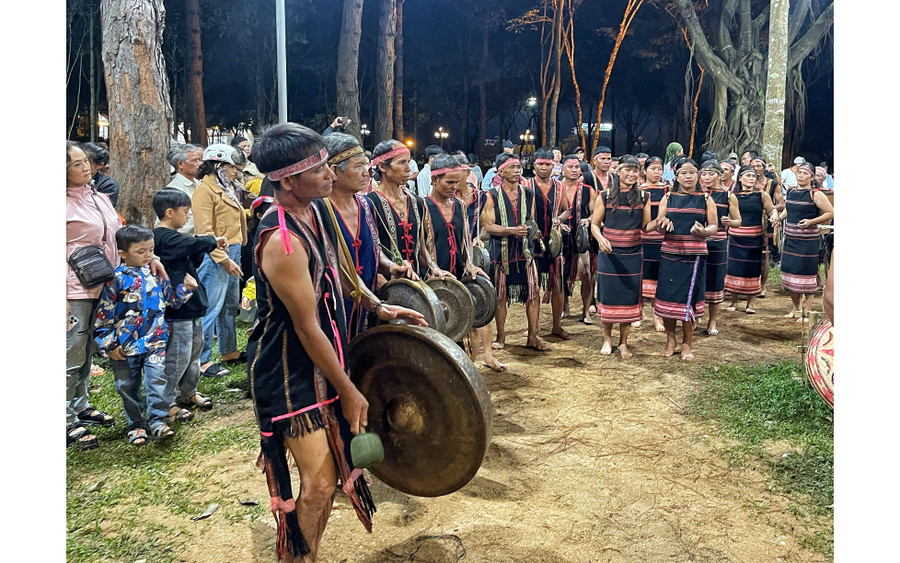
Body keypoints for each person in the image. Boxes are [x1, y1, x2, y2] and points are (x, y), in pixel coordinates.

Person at [246, 122, 424, 562]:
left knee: (331, 479)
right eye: (320, 168)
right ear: (288, 180)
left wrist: (378, 307)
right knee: (322, 481)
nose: (331, 175)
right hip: (287, 368)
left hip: (326, 352)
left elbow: (341, 274)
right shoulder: (281, 240)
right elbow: (307, 327)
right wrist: (347, 390)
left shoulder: (319, 210)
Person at [94, 225, 196, 444]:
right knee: (127, 387)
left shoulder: (156, 273)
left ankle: (158, 421)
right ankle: (136, 424)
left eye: (151, 250)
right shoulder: (116, 280)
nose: (148, 255)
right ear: (123, 254)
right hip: (124, 347)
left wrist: (186, 289)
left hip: (155, 342)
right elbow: (104, 314)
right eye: (141, 251)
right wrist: (109, 344)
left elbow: (170, 301)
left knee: (156, 381)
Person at [323, 133, 414, 337]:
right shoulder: (320, 210)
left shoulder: (366, 204)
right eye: (358, 166)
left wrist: (391, 266)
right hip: (334, 307)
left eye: (366, 165)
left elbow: (375, 249)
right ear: (334, 171)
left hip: (368, 304)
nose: (367, 173)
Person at [67, 141, 126, 449]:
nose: (85, 167)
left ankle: (80, 405)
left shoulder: (97, 196)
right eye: (77, 164)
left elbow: (114, 231)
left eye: (85, 162)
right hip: (73, 288)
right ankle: (64, 418)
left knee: (88, 350)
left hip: (102, 284)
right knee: (70, 352)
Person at [153, 189, 229, 420]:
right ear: (169, 212)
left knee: (194, 352)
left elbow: (194, 250)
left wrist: (207, 245)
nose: (188, 216)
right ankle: (165, 403)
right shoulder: (162, 237)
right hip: (177, 311)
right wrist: (211, 241)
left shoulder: (176, 238)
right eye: (185, 212)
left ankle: (189, 392)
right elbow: (193, 244)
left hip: (191, 307)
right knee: (178, 357)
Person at [647, 157, 719, 361]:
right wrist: (663, 224)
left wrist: (704, 231)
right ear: (676, 176)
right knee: (668, 300)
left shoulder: (706, 199)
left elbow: (714, 225)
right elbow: (659, 223)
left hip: (694, 257)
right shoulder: (667, 197)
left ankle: (687, 343)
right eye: (684, 173)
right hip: (670, 254)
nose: (688, 176)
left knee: (688, 302)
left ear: (698, 176)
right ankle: (671, 339)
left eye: (692, 172)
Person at [480, 152, 548, 351]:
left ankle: (533, 337)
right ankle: (501, 337)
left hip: (525, 253)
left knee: (533, 295)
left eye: (519, 167)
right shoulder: (490, 195)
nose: (517, 171)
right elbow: (487, 226)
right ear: (500, 171)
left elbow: (532, 220)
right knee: (500, 298)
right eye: (512, 167)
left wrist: (534, 231)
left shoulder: (528, 194)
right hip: (501, 255)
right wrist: (511, 230)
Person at [192, 143, 248, 377]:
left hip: (232, 250)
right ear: (217, 167)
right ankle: (203, 361)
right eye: (230, 167)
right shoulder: (204, 192)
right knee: (211, 307)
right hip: (216, 254)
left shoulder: (227, 188)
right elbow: (204, 232)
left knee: (229, 305)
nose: (235, 171)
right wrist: (223, 259)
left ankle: (228, 350)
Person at [590, 156, 650, 359]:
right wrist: (600, 239)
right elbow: (595, 224)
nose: (632, 174)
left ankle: (623, 342)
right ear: (619, 171)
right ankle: (607, 337)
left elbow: (645, 226)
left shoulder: (644, 196)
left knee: (628, 297)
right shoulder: (605, 195)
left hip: (633, 253)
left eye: (635, 171)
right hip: (609, 254)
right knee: (609, 296)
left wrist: (661, 221)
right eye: (628, 170)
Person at [368, 140, 448, 280]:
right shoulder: (369, 204)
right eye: (401, 162)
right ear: (382, 166)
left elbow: (421, 248)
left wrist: (434, 268)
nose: (408, 169)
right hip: (385, 288)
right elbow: (371, 251)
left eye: (408, 162)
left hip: (416, 287)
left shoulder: (416, 202)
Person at [522, 147, 569, 340]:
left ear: (553, 165)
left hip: (553, 242)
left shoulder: (560, 187)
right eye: (540, 164)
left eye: (548, 164)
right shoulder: (526, 184)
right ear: (534, 166)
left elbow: (567, 210)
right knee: (533, 287)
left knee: (557, 285)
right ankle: (533, 328)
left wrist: (559, 218)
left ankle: (556, 326)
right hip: (532, 243)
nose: (544, 167)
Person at [779, 162, 834, 321]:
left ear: (811, 176)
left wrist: (811, 221)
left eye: (805, 173)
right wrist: (778, 217)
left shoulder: (815, 194)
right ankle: (795, 309)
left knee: (806, 274)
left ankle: (806, 312)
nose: (801, 175)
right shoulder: (791, 192)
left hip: (807, 243)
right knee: (789, 272)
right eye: (799, 172)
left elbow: (830, 212)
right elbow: (788, 210)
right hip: (790, 239)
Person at [724, 166, 779, 313]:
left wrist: (774, 215)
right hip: (735, 237)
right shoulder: (732, 195)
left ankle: (750, 304)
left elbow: (771, 209)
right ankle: (734, 302)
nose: (751, 179)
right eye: (748, 175)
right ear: (740, 178)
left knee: (753, 269)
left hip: (754, 238)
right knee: (734, 268)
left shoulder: (761, 195)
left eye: (753, 176)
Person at [698, 160, 741, 335]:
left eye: (711, 174)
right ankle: (695, 316)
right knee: (697, 280)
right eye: (704, 174)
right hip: (698, 242)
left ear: (719, 175)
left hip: (718, 242)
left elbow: (738, 220)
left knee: (715, 282)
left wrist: (730, 222)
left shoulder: (728, 196)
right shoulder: (696, 193)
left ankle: (712, 321)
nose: (707, 177)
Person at [559, 154, 597, 324]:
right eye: (570, 167)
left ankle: (585, 312)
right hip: (560, 239)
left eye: (577, 167)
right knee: (561, 275)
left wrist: (588, 220)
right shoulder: (556, 189)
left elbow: (597, 213)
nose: (574, 170)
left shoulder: (588, 191)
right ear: (562, 169)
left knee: (586, 274)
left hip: (581, 239)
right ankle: (564, 308)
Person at [639, 156, 668, 332]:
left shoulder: (668, 190)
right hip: (642, 239)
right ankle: (638, 314)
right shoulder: (639, 190)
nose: (656, 172)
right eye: (652, 169)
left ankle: (657, 317)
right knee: (641, 278)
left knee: (659, 279)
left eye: (659, 169)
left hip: (663, 241)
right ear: (645, 171)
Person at [750, 156, 783, 292]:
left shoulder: (772, 184)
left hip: (766, 222)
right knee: (749, 253)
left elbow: (781, 203)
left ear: (764, 168)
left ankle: (762, 286)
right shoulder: (744, 182)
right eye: (754, 166)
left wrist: (770, 210)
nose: (756, 169)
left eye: (759, 166)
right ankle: (748, 283)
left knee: (765, 254)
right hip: (749, 222)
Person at [165, 143, 204, 235]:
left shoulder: (200, 184)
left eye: (200, 160)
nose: (200, 164)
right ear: (180, 164)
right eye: (194, 161)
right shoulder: (174, 190)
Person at [81, 141, 120, 208]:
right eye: (77, 163)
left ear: (100, 165)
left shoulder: (109, 185)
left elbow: (101, 210)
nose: (81, 166)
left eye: (86, 162)